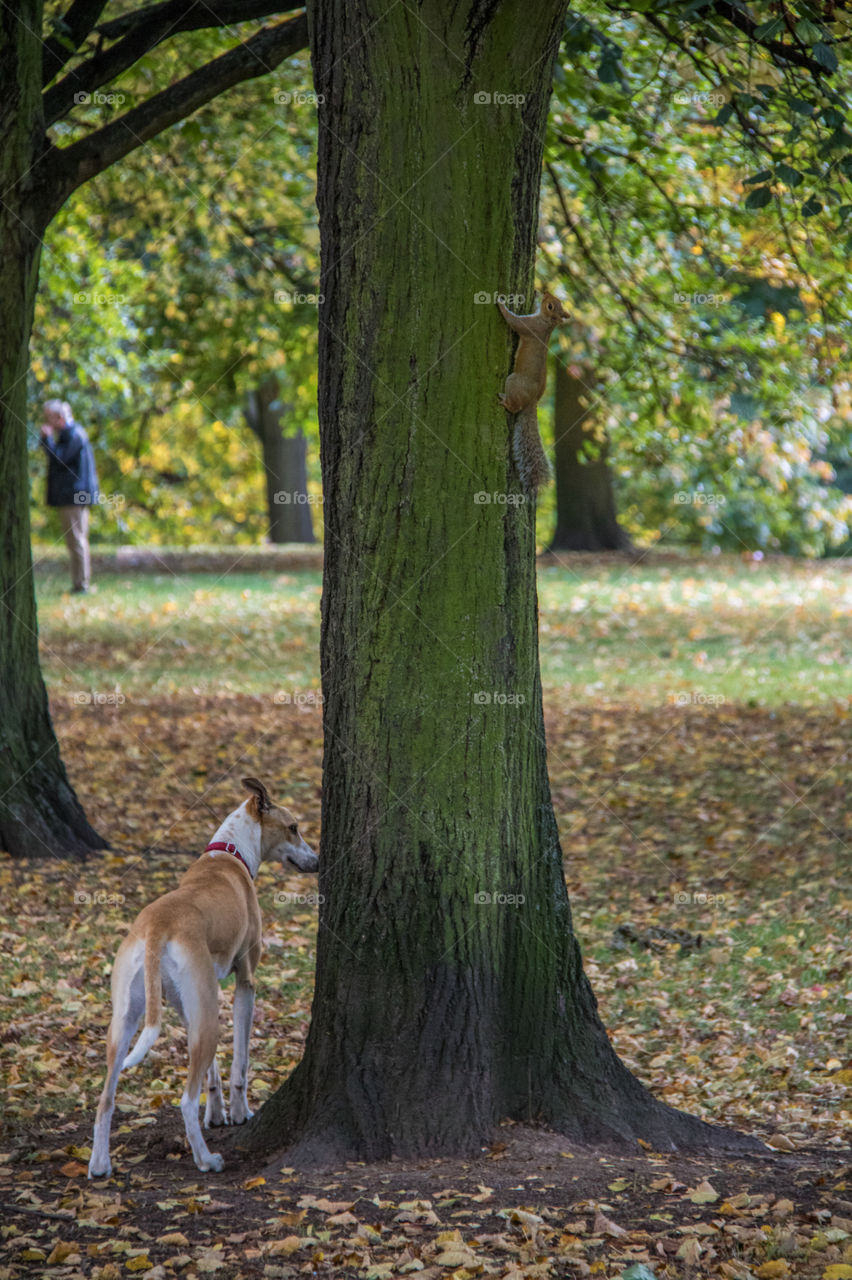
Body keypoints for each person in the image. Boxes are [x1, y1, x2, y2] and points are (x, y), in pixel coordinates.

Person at [40, 399, 98, 594]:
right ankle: (80, 582)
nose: (46, 422)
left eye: (49, 418)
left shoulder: (74, 435)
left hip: (74, 496)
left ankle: (81, 584)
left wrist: (46, 439)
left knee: (76, 540)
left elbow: (59, 459)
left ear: (59, 417)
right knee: (76, 540)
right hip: (73, 495)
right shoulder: (70, 435)